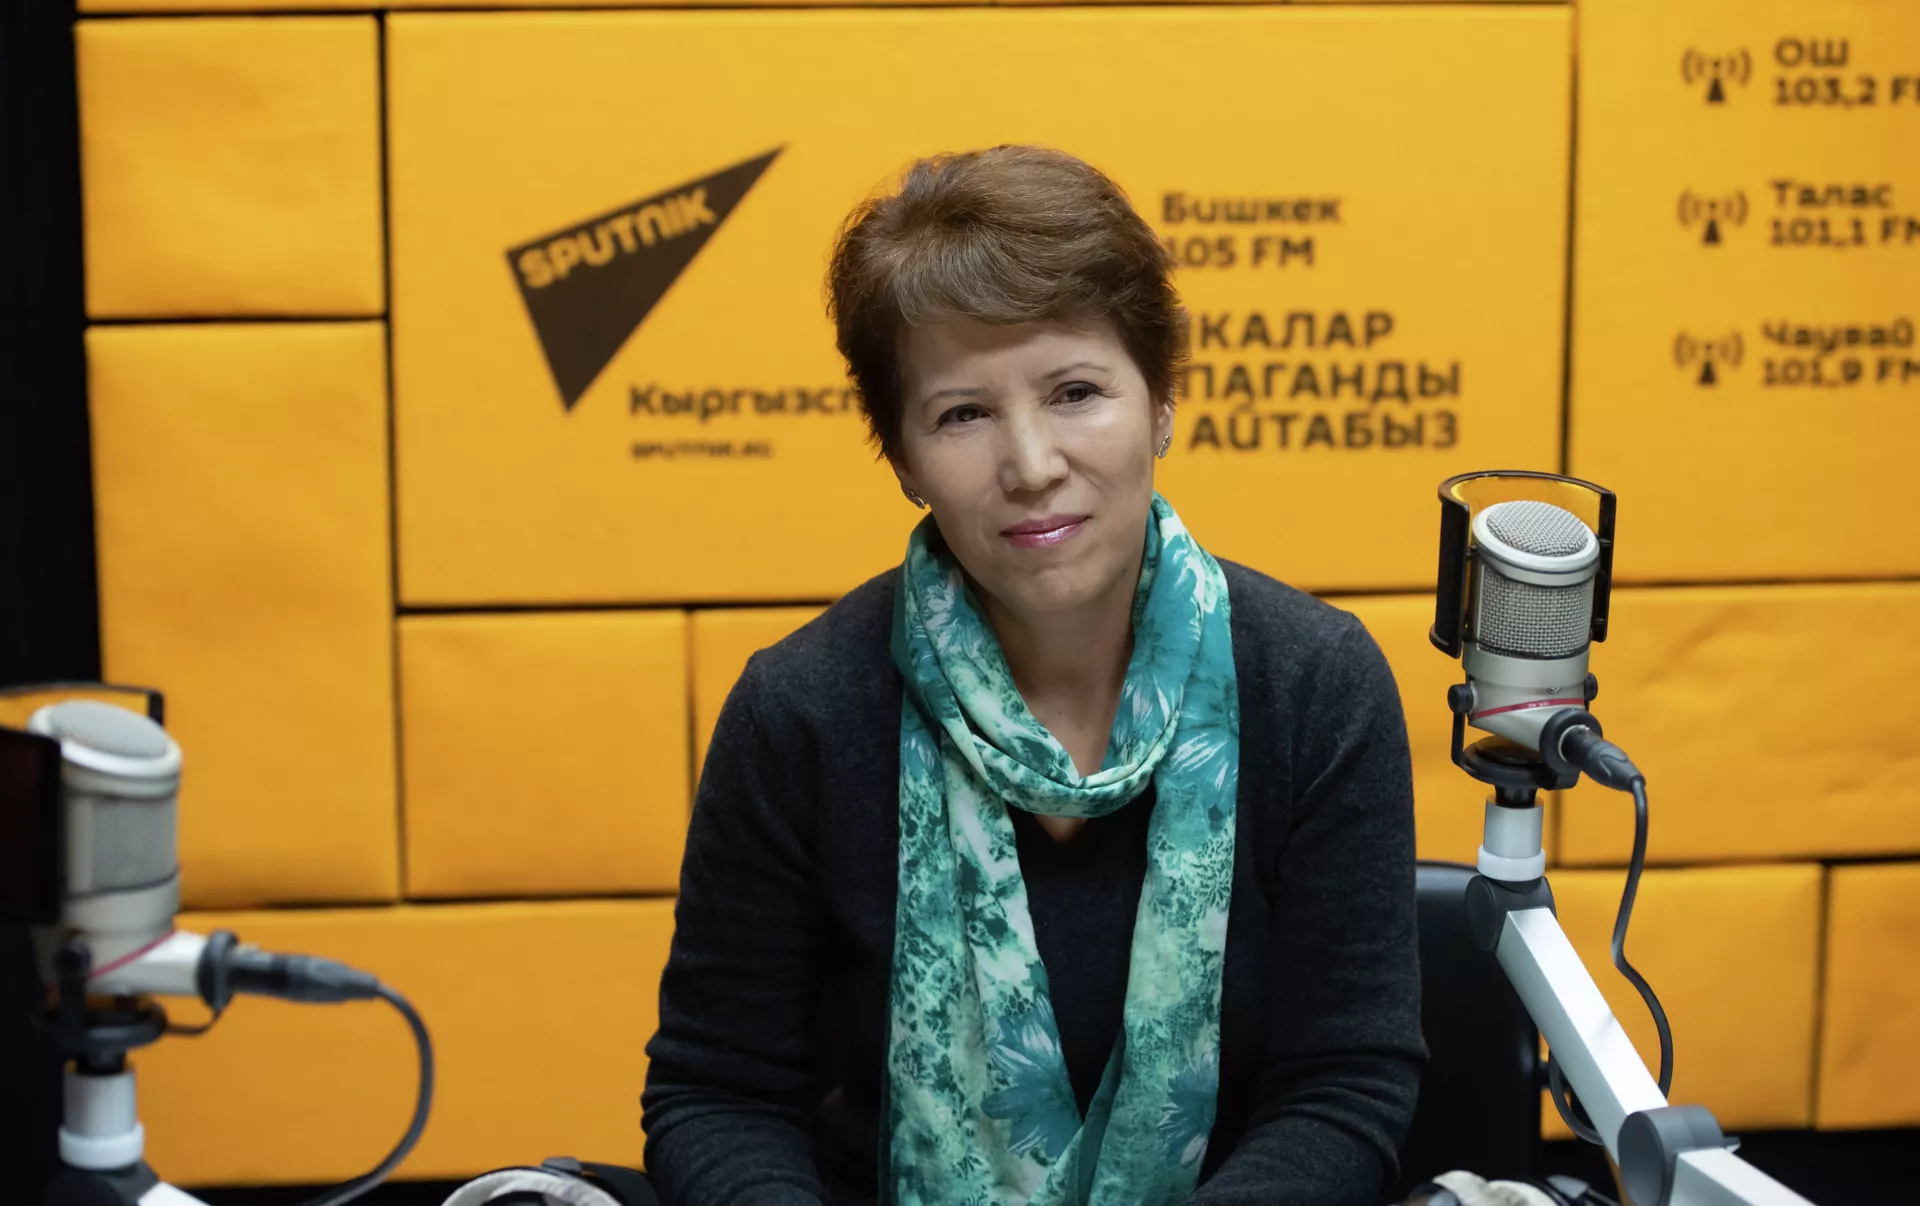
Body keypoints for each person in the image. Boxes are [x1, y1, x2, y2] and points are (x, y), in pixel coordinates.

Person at [641, 145, 1423, 1206]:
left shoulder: (1314, 685)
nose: (1031, 464)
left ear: (1162, 400)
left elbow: (1345, 1086)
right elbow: (720, 1096)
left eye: (1075, 392)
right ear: (902, 457)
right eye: (962, 413)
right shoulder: (802, 713)